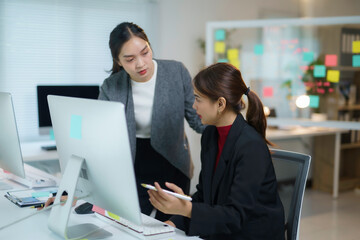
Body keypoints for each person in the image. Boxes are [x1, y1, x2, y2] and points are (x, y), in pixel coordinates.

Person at [147, 63, 285, 239]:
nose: (193, 106)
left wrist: (186, 209)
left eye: (198, 99)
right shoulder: (210, 135)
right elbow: (205, 195)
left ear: (220, 104)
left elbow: (235, 216)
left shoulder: (251, 146)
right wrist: (173, 222)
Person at [97, 22, 204, 221]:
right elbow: (100, 137)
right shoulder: (111, 86)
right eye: (129, 59)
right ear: (118, 61)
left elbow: (197, 120)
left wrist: (231, 132)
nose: (140, 64)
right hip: (133, 165)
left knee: (173, 226)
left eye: (145, 52)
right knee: (135, 225)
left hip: (173, 164)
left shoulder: (176, 72)